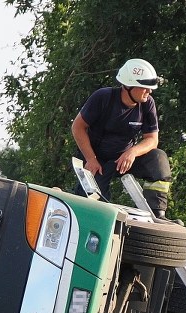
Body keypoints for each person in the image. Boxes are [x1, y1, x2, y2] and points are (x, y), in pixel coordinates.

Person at [71, 58, 173, 217]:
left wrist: (132, 152)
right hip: (97, 162)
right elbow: (77, 127)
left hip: (125, 160)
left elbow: (152, 139)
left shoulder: (147, 103)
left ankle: (157, 212)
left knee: (158, 158)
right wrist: (90, 159)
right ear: (128, 86)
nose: (149, 91)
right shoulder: (103, 97)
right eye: (145, 87)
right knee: (92, 205)